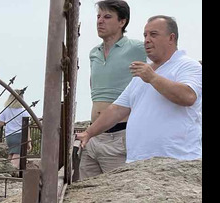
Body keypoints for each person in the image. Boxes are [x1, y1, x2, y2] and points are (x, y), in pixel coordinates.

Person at [77, 15, 201, 162]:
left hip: (176, 160)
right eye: (145, 35)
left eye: (153, 34)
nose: (147, 40)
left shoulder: (188, 66)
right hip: (138, 163)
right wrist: (89, 133)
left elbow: (188, 97)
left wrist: (153, 78)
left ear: (171, 38)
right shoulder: (143, 74)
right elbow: (117, 110)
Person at [78, 0, 146, 180]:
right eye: (98, 16)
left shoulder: (137, 48)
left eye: (107, 17)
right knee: (84, 195)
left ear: (122, 22)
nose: (100, 21)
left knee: (116, 196)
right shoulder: (94, 52)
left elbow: (166, 61)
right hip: (93, 135)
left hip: (120, 134)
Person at [0, 89, 30, 163]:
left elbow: (0, 123)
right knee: (17, 155)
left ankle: (7, 170)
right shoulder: (24, 111)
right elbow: (27, 127)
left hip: (9, 136)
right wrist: (29, 140)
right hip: (19, 135)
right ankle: (13, 171)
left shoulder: (6, 110)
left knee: (11, 154)